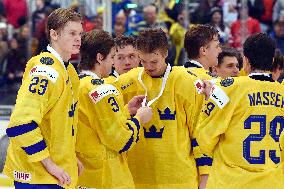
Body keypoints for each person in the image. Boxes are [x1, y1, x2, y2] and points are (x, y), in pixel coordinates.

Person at [3, 8, 84, 189]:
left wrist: (70, 157)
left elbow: (62, 124)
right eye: (72, 33)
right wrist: (49, 164)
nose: (78, 38)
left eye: (80, 33)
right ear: (54, 34)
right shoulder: (45, 71)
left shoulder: (69, 70)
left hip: (57, 173)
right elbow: (21, 125)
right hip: (37, 177)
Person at [114, 28, 199, 189]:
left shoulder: (185, 81)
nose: (148, 67)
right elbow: (113, 126)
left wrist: (205, 175)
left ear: (165, 53)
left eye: (154, 62)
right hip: (136, 178)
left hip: (179, 179)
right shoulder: (126, 82)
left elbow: (198, 133)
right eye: (143, 61)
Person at [196, 33, 284, 189]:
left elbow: (204, 137)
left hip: (231, 181)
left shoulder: (227, 89)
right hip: (274, 182)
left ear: (246, 61)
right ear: (272, 60)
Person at [75, 30, 153, 189]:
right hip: (107, 176)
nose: (112, 63)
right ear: (99, 58)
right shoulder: (102, 89)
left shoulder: (74, 84)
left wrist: (126, 111)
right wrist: (139, 118)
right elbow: (121, 140)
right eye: (112, 57)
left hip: (83, 176)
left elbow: (96, 123)